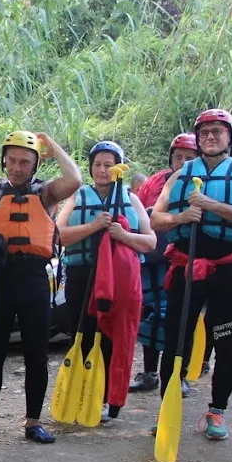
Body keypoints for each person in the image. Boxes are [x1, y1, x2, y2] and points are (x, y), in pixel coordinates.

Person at [149, 108, 232, 441]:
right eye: (204, 133)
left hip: (228, 268)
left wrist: (210, 205)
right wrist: (183, 216)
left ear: (230, 137)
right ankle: (167, 407)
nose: (210, 137)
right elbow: (157, 218)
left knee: (227, 340)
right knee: (175, 339)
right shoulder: (182, 174)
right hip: (187, 265)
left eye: (217, 132)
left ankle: (217, 410)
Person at [0, 130, 82, 443]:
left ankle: (32, 421)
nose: (17, 167)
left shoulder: (46, 193)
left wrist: (51, 144)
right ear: (4, 161)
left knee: (37, 353)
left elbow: (74, 179)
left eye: (24, 162)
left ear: (35, 165)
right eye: (12, 160)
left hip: (34, 280)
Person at [56, 141, 156, 422]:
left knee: (113, 338)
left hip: (119, 279)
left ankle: (108, 400)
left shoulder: (131, 199)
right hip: (82, 275)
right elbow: (59, 235)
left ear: (118, 169)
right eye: (97, 164)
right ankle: (83, 393)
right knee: (84, 335)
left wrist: (123, 236)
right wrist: (93, 227)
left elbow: (150, 242)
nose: (102, 170)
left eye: (108, 165)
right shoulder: (77, 196)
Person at [130, 133, 198, 393]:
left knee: (180, 318)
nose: (182, 162)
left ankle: (179, 374)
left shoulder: (201, 182)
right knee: (151, 314)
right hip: (155, 258)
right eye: (178, 157)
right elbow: (144, 215)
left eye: (188, 158)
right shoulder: (158, 181)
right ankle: (149, 372)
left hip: (182, 258)